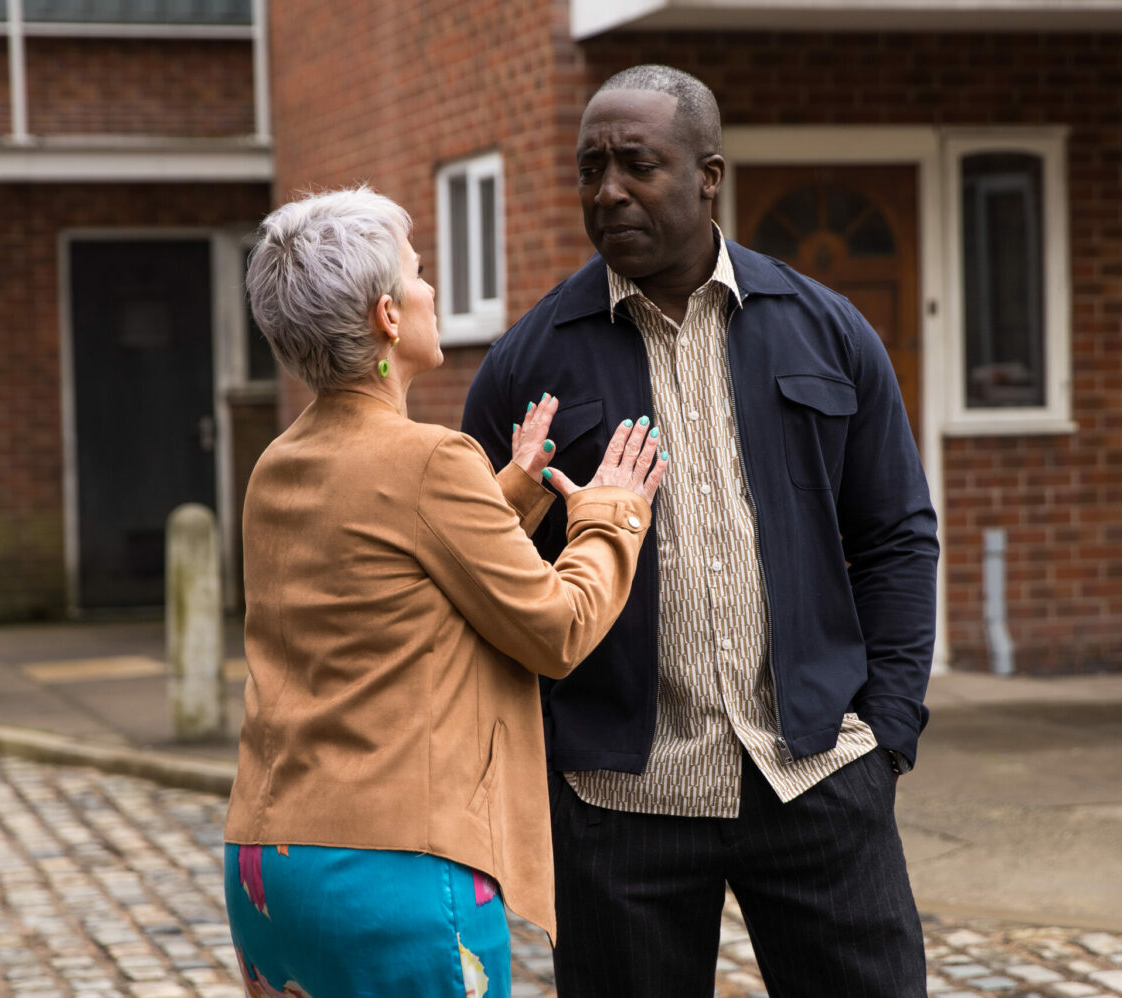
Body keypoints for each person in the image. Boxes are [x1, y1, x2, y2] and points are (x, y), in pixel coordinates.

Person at [462, 65, 938, 996]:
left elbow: (896, 537)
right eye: (590, 168)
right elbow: (476, 571)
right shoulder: (531, 359)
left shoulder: (826, 331)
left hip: (815, 775)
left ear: (708, 175)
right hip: (617, 803)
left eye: (637, 165)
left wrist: (885, 734)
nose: (609, 191)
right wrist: (547, 763)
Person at [223, 186, 668, 998]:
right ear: (388, 316)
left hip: (267, 862)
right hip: (390, 872)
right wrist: (611, 515)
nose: (431, 289)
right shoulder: (429, 459)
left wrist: (511, 493)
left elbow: (389, 578)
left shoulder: (277, 464)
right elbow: (556, 629)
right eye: (419, 272)